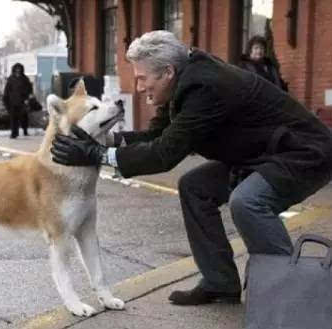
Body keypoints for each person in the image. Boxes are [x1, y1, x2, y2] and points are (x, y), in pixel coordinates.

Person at [51, 31, 332, 306]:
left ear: (167, 72)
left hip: (303, 153)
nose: (138, 87)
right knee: (195, 187)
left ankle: (292, 291)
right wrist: (102, 139)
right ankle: (220, 283)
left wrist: (95, 154)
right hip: (261, 154)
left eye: (142, 79)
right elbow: (157, 135)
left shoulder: (204, 88)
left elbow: (164, 154)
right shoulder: (184, 81)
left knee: (248, 202)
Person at [2, 63, 33, 138]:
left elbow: (29, 89)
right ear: (14, 69)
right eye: (16, 68)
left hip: (22, 101)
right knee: (13, 118)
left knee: (23, 117)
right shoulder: (11, 79)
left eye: (19, 68)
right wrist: (6, 99)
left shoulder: (25, 79)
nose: (18, 70)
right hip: (12, 101)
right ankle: (14, 133)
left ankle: (25, 130)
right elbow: (7, 90)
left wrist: (28, 98)